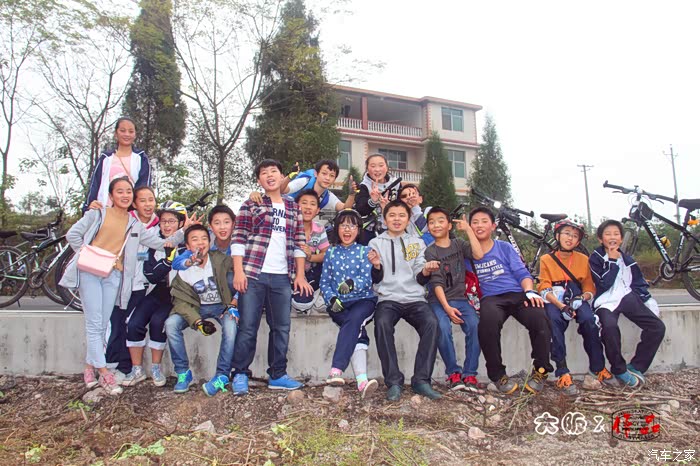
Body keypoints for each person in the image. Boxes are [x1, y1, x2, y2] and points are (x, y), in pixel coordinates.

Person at [60, 176, 186, 395]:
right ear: (111, 195)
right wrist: (88, 254)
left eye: (128, 191)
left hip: (114, 276)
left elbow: (160, 244)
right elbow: (73, 235)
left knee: (102, 325)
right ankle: (104, 373)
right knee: (95, 323)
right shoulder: (97, 214)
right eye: (120, 191)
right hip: (91, 272)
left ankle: (89, 367)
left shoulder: (133, 223)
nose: (125, 195)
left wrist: (184, 231)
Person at [230, 159, 313, 395]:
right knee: (248, 327)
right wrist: (238, 271)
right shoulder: (251, 204)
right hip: (253, 274)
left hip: (282, 277)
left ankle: (277, 375)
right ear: (259, 180)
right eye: (264, 173)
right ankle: (240, 374)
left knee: (281, 328)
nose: (269, 175)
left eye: (274, 171)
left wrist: (299, 275)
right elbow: (239, 237)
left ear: (281, 176)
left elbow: (299, 241)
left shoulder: (293, 207)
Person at [467, 206, 553, 394]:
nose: (479, 226)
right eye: (475, 222)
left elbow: (522, 273)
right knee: (487, 323)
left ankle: (540, 370)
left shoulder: (504, 247)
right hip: (491, 298)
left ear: (493, 226)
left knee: (539, 318)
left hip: (517, 293)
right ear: (469, 227)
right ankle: (498, 375)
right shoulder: (467, 253)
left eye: (484, 222)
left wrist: (529, 292)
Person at [369, 200, 441, 401]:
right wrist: (376, 266)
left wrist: (426, 270)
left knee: (431, 323)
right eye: (392, 215)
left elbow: (420, 277)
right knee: (382, 323)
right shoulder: (376, 243)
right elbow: (376, 279)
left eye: (402, 215)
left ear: (408, 219)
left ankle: (421, 380)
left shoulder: (416, 243)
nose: (397, 219)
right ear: (385, 219)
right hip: (388, 298)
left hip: (414, 298)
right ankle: (393, 382)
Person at [537, 219, 614, 395]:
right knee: (553, 322)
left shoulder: (583, 259)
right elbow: (543, 287)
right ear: (557, 236)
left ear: (578, 241)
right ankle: (562, 372)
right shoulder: (546, 259)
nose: (570, 238)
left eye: (574, 236)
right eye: (566, 234)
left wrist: (581, 298)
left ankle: (598, 367)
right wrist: (561, 306)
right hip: (555, 298)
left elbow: (589, 287)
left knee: (589, 320)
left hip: (576, 295)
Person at [589, 220, 665, 387]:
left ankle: (637, 366)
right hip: (605, 301)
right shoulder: (595, 258)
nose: (612, 237)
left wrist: (646, 299)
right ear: (600, 239)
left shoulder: (627, 259)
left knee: (657, 327)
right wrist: (612, 261)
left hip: (626, 296)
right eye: (608, 234)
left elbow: (637, 281)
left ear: (621, 239)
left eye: (616, 234)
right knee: (609, 328)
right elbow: (603, 284)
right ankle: (619, 369)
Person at [165, 224, 239, 396]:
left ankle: (222, 375)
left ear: (209, 242)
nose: (200, 243)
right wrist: (197, 322)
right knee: (171, 324)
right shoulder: (183, 269)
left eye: (204, 238)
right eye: (195, 239)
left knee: (231, 326)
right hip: (196, 308)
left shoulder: (220, 260)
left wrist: (234, 303)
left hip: (222, 306)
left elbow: (242, 276)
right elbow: (180, 302)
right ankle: (183, 372)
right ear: (187, 245)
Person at [123, 201, 187, 387]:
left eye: (171, 221)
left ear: (181, 223)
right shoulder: (153, 242)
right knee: (134, 323)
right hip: (155, 290)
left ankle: (156, 368)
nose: (166, 225)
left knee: (159, 322)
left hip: (177, 294)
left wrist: (167, 262)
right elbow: (150, 274)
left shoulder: (187, 244)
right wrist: (167, 262)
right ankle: (137, 369)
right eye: (163, 221)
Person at [320, 209, 379, 397]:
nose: (347, 230)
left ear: (358, 230)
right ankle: (362, 382)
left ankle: (336, 370)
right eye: (343, 225)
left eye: (352, 226)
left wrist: (353, 284)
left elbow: (368, 279)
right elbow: (324, 282)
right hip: (339, 304)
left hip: (363, 301)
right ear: (337, 228)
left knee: (354, 321)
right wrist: (331, 299)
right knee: (357, 331)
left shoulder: (365, 251)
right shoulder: (331, 252)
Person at [424, 207, 484, 391]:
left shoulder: (458, 244)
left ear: (449, 225)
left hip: (461, 299)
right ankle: (453, 373)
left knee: (475, 326)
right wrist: (447, 308)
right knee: (442, 327)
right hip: (438, 300)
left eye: (440, 221)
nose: (436, 225)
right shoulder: (430, 251)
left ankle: (470, 374)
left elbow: (478, 254)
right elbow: (436, 283)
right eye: (432, 222)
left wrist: (468, 230)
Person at [106, 186, 160, 382]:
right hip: (119, 284)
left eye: (151, 200)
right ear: (135, 204)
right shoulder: (125, 222)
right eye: (142, 200)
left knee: (129, 324)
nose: (148, 204)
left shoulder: (159, 226)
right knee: (116, 325)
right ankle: (115, 367)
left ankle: (126, 368)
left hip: (143, 287)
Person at [83, 117, 151, 213]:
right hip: (104, 210)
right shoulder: (105, 158)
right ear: (116, 133)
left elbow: (144, 186)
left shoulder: (141, 158)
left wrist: (137, 209)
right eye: (123, 131)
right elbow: (95, 183)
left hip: (130, 213)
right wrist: (88, 206)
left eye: (131, 131)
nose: (127, 134)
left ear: (135, 135)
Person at [292, 189, 330, 314]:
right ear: (296, 207)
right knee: (301, 303)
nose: (308, 207)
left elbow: (326, 254)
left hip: (309, 272)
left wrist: (310, 257)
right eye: (304, 203)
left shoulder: (319, 228)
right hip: (288, 273)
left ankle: (319, 294)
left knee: (332, 260)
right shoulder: (289, 226)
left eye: (312, 204)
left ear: (317, 210)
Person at [354, 153, 402, 244]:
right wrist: (373, 201)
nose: (377, 169)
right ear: (367, 169)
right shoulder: (364, 186)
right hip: (369, 231)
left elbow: (402, 205)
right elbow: (360, 210)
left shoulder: (396, 183)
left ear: (387, 167)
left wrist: (390, 207)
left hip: (393, 228)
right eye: (373, 166)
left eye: (381, 165)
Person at [172, 204, 236, 270]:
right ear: (210, 226)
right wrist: (190, 261)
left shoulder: (240, 244)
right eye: (217, 223)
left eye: (226, 222)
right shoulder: (204, 242)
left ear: (233, 224)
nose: (222, 227)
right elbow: (177, 263)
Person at [282, 159, 356, 211]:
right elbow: (282, 190)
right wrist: (289, 176)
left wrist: (352, 194)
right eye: (324, 173)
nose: (327, 178)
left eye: (332, 175)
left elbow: (344, 208)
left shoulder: (327, 196)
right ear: (316, 173)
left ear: (334, 179)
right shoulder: (305, 181)